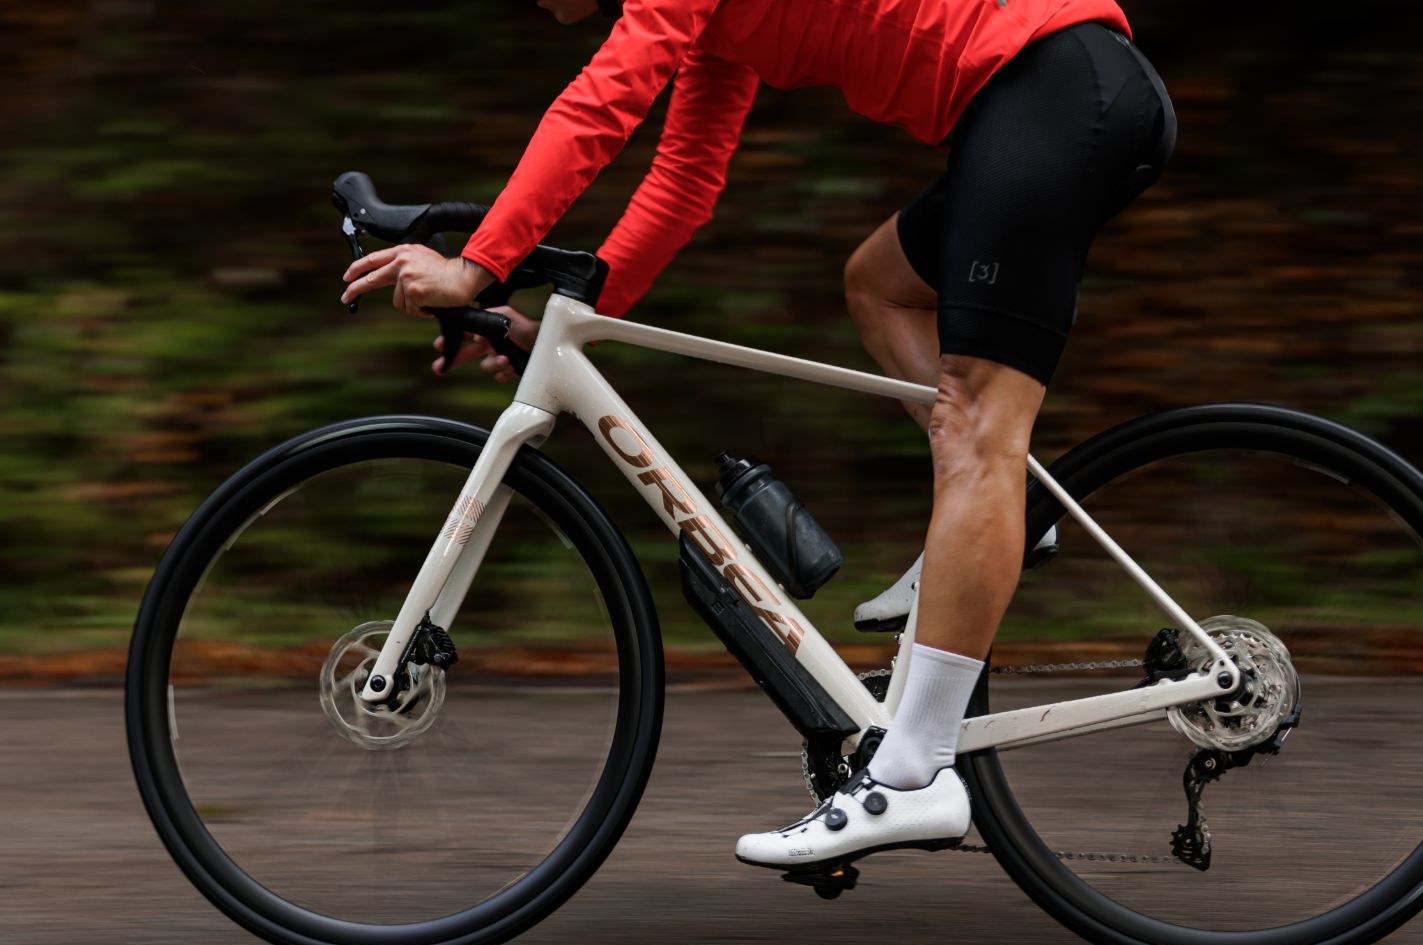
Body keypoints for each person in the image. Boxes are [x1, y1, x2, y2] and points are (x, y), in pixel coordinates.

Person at [340, 0, 1175, 873]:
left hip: (1051, 85)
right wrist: (567, 318)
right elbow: (684, 177)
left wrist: (475, 263)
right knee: (880, 288)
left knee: (973, 419)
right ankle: (1006, 517)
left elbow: (605, 97)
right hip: (1049, 95)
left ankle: (913, 773)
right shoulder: (715, 24)